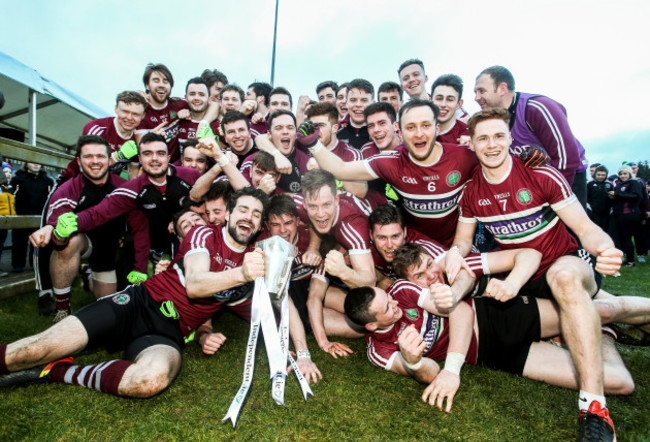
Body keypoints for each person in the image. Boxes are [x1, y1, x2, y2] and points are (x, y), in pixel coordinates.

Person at [0, 188, 321, 397]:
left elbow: (283, 302)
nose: (248, 217)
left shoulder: (254, 262)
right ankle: (40, 359)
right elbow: (195, 284)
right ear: (229, 213)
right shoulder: (203, 234)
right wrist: (242, 273)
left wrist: (303, 353)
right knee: (32, 350)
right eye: (243, 209)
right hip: (134, 305)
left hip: (167, 334)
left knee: (149, 381)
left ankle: (60, 371)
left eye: (256, 214)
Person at [446, 107, 623, 440]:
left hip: (567, 261)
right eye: (483, 138)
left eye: (499, 136)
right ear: (472, 144)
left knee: (565, 281)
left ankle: (595, 411)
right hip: (524, 273)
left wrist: (605, 249)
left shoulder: (541, 175)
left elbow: (585, 228)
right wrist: (454, 255)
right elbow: (463, 241)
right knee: (609, 310)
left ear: (510, 137)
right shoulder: (471, 193)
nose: (492, 144)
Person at [302, 99, 478, 247]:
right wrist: (314, 144)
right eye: (410, 127)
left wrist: (479, 143)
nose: (418, 134)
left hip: (459, 243)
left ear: (437, 128)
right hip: (414, 242)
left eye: (425, 125)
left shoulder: (464, 155)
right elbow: (341, 169)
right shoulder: (390, 161)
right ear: (400, 130)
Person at [29, 136, 149, 323]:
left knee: (108, 308)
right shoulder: (68, 189)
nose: (94, 161)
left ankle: (87, 276)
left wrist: (140, 266)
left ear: (110, 160)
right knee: (70, 242)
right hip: (85, 243)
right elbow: (56, 239)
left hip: (109, 247)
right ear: (79, 161)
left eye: (100, 156)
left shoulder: (123, 187)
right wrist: (58, 234)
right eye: (88, 156)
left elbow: (140, 228)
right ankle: (62, 309)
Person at [55, 133, 201, 258]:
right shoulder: (132, 188)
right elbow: (98, 213)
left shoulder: (190, 176)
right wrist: (73, 222)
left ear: (169, 157)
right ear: (140, 159)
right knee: (127, 243)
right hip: (152, 239)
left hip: (186, 233)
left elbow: (209, 203)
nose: (154, 158)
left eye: (160, 153)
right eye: (148, 153)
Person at [473, 65, 588, 206]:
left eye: (481, 91)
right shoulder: (493, 120)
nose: (476, 98)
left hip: (568, 178)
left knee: (568, 227)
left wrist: (555, 197)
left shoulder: (537, 108)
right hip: (533, 184)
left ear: (502, 89)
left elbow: (567, 159)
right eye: (475, 92)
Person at [10, 162, 54, 273]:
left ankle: (35, 263)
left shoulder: (48, 181)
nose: (36, 164)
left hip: (39, 216)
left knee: (38, 241)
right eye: (32, 162)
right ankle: (18, 264)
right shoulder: (17, 179)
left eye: (39, 163)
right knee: (19, 241)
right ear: (26, 164)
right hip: (21, 215)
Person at [610, 165, 644, 267]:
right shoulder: (619, 184)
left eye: (625, 173)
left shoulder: (634, 183)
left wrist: (617, 194)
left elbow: (636, 196)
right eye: (620, 174)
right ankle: (626, 259)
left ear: (629, 173)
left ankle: (630, 261)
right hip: (620, 215)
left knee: (627, 238)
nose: (622, 176)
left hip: (630, 214)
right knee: (621, 237)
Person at [430, 74, 469, 145]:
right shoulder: (420, 131)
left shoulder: (468, 135)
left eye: (450, 100)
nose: (443, 104)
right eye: (439, 98)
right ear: (430, 100)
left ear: (459, 104)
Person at [337, 79, 374, 149]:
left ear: (372, 103)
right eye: (353, 100)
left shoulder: (380, 130)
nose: (358, 105)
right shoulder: (336, 131)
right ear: (347, 103)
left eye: (364, 100)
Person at [587, 165, 613, 232]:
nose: (600, 177)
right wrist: (590, 211)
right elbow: (586, 198)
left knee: (605, 231)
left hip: (606, 214)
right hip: (594, 213)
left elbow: (613, 199)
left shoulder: (609, 185)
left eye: (603, 175)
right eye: (599, 175)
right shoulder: (589, 184)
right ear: (595, 174)